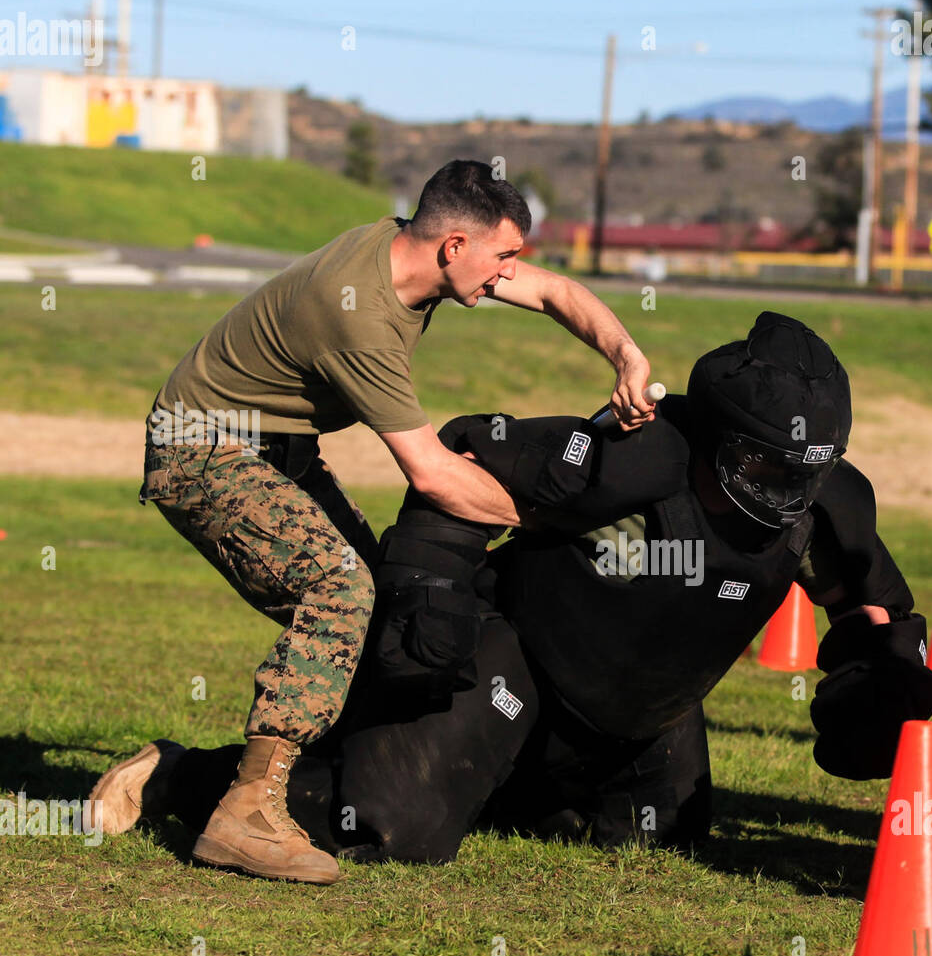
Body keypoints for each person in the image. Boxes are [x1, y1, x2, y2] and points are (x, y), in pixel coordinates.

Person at [92, 312, 932, 870]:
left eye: (803, 472)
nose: (784, 491)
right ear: (718, 439)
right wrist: (426, 594)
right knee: (393, 826)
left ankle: (506, 787)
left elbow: (872, 609)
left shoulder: (827, 507)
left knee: (652, 848)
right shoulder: (633, 456)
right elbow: (467, 458)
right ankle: (185, 776)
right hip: (517, 659)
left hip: (641, 711)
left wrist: (883, 684)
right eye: (764, 466)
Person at [96, 160, 656, 886]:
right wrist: (559, 523)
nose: (510, 272)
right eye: (503, 257)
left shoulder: (422, 258)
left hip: (274, 449)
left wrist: (625, 354)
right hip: (200, 448)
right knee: (338, 588)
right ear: (455, 245)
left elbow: (554, 291)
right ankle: (245, 814)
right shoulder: (356, 311)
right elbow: (430, 472)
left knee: (382, 603)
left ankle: (177, 777)